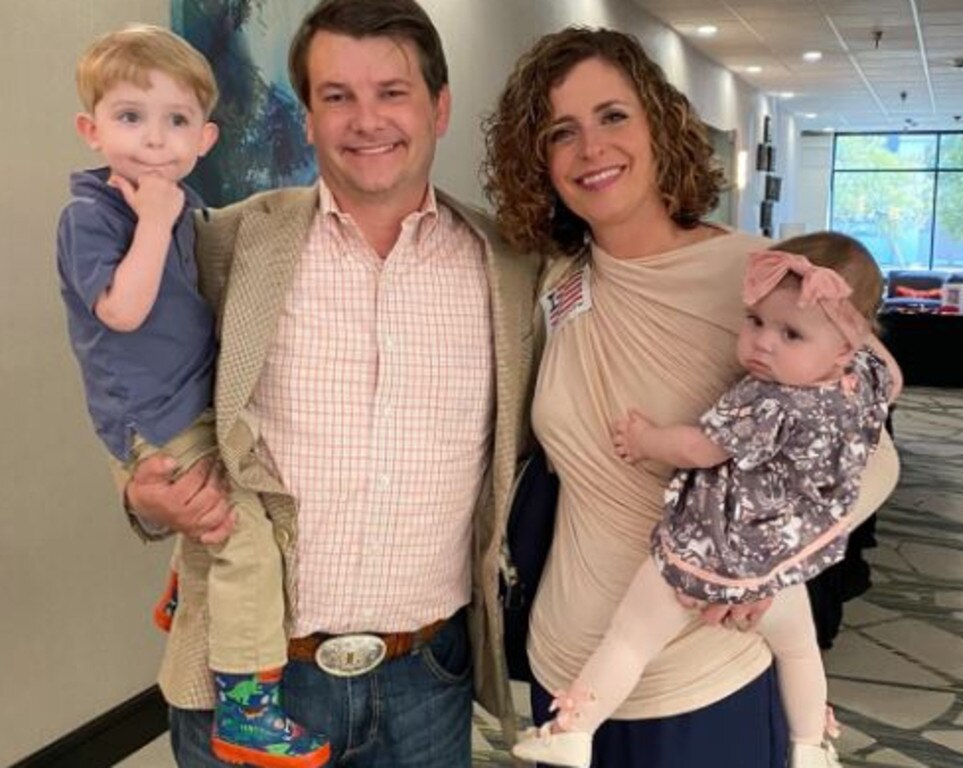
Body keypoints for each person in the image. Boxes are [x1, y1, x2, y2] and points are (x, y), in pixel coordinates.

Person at [117, 2, 542, 766]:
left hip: (428, 680)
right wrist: (139, 490)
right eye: (336, 96)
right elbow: (140, 368)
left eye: (392, 92)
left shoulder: (509, 268)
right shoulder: (230, 241)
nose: (365, 120)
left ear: (439, 107)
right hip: (250, 681)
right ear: (306, 118)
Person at [482, 27, 900, 768]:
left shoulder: (767, 280)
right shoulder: (554, 281)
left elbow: (871, 460)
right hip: (566, 673)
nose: (591, 149)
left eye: (613, 116)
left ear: (658, 124)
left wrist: (771, 563)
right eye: (561, 132)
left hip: (700, 674)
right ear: (539, 161)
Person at [511, 235, 903, 768]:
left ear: (843, 348)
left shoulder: (769, 401)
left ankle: (575, 727)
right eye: (756, 322)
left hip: (707, 554)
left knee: (629, 639)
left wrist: (645, 440)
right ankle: (811, 742)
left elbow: (699, 447)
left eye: (790, 333)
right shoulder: (863, 387)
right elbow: (893, 377)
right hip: (777, 567)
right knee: (799, 648)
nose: (763, 344)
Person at [57, 25, 330, 767]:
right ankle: (246, 707)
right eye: (130, 117)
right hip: (153, 417)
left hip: (191, 404)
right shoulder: (95, 214)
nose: (154, 139)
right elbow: (121, 308)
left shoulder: (176, 208)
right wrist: (151, 222)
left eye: (176, 120)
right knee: (242, 540)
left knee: (248, 505)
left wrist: (166, 215)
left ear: (205, 138)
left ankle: (186, 588)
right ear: (92, 130)